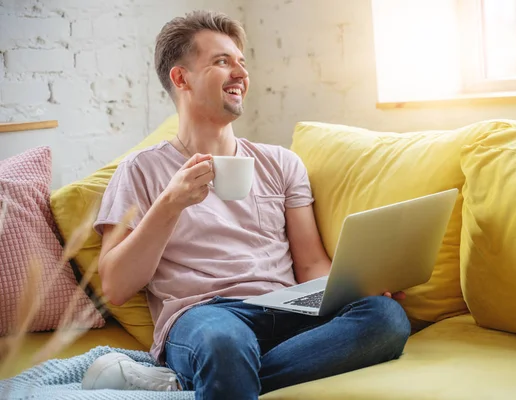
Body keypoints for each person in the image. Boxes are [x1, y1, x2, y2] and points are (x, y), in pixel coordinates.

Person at [83, 10, 410, 400]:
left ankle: (188, 383)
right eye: (222, 61)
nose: (240, 73)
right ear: (180, 77)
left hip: (290, 308)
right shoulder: (141, 170)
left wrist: (356, 288)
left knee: (385, 317)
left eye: (241, 62)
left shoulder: (281, 162)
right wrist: (169, 204)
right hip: (207, 316)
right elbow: (116, 286)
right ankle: (219, 367)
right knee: (223, 344)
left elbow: (310, 265)